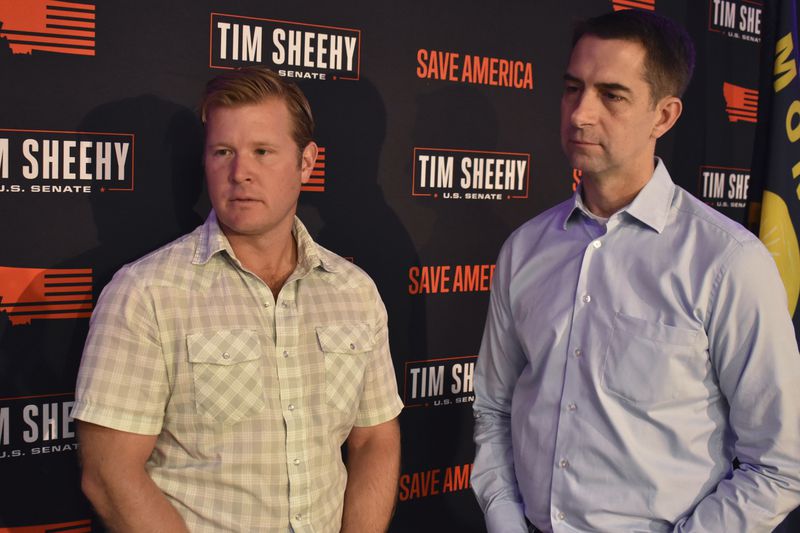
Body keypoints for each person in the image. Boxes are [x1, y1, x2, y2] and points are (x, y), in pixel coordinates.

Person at [471, 9, 800, 532]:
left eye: (612, 95)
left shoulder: (726, 263)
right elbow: (494, 411)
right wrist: (506, 520)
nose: (580, 113)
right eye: (573, 88)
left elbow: (781, 465)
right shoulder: (524, 250)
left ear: (664, 116)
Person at [74, 67, 403, 533]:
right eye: (223, 152)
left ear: (306, 163)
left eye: (263, 152)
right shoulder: (145, 294)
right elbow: (109, 474)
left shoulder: (354, 291)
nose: (240, 172)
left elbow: (375, 439)